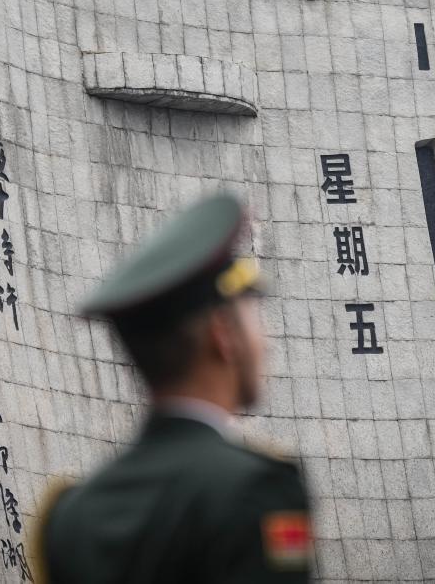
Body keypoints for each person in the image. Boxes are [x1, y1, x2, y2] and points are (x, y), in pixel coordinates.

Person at [31, 192, 313, 583]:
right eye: (255, 317)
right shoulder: (256, 489)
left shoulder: (70, 515)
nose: (267, 342)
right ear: (223, 334)